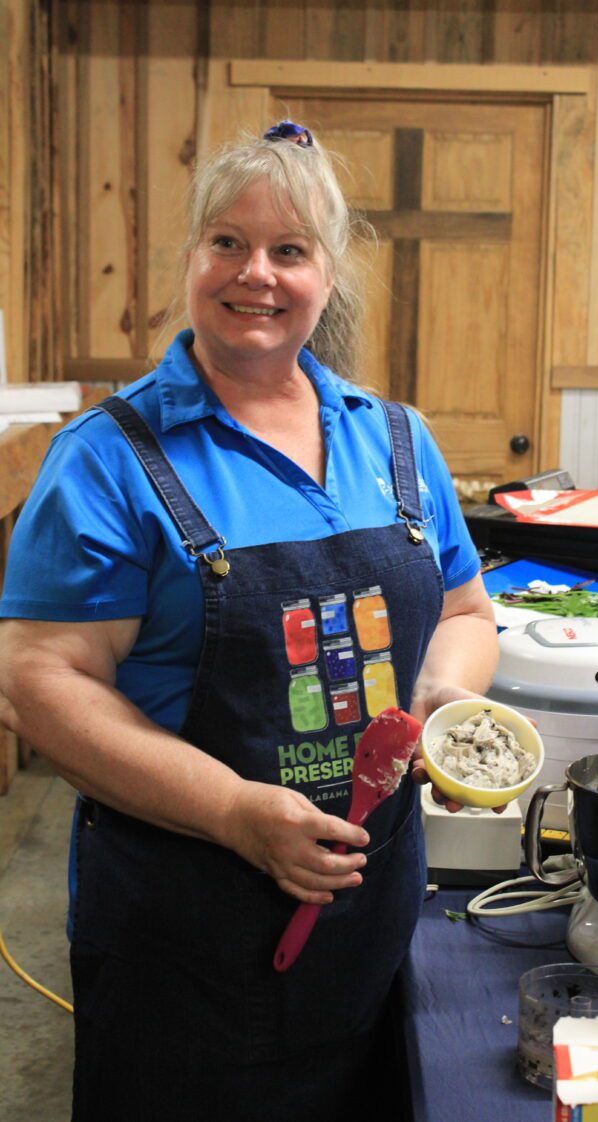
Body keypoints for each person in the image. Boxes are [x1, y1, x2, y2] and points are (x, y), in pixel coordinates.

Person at [0, 122, 498, 1122]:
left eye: (288, 250)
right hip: (186, 951)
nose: (253, 273)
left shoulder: (397, 442)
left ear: (328, 274)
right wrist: (234, 812)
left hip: (371, 929)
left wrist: (446, 694)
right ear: (190, 259)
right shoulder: (109, 457)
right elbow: (39, 680)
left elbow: (462, 609)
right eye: (226, 242)